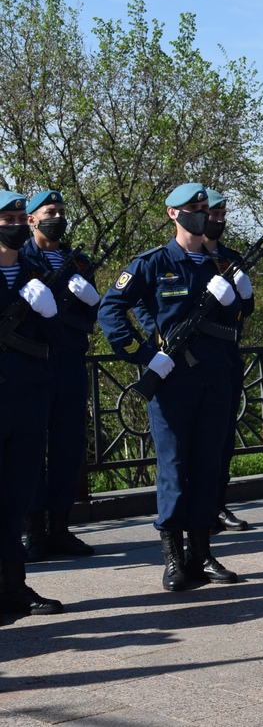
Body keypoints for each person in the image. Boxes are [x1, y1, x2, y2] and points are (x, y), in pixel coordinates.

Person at [99, 183, 250, 591]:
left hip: (216, 377)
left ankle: (201, 553)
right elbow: (111, 310)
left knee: (207, 466)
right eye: (193, 208)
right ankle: (172, 558)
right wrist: (145, 355)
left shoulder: (220, 263)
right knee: (175, 468)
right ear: (173, 213)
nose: (201, 214)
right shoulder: (153, 262)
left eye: (205, 207)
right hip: (171, 379)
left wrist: (238, 295)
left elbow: (237, 322)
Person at [21, 190, 99, 561]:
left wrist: (88, 300)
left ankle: (61, 528)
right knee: (32, 449)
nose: (57, 217)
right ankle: (34, 531)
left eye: (61, 211)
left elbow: (91, 319)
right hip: (34, 364)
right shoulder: (21, 258)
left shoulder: (77, 261)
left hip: (69, 364)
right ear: (31, 219)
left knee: (69, 448)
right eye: (50, 212)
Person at [0, 191, 63, 616]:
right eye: (9, 216)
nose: (19, 222)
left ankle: (15, 586)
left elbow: (58, 341)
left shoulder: (35, 270)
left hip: (28, 395)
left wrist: (53, 312)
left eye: (22, 216)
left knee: (16, 498)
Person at [202, 190, 255, 534]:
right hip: (191, 360)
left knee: (223, 439)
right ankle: (197, 509)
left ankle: (218, 505)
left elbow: (243, 313)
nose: (219, 220)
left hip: (226, 356)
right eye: (213, 214)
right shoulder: (182, 258)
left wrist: (245, 295)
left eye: (223, 215)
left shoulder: (230, 258)